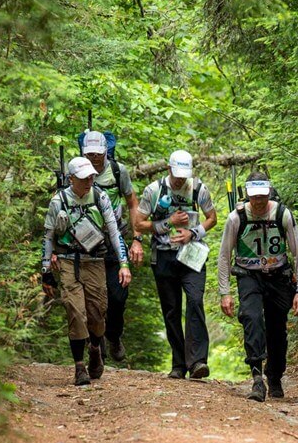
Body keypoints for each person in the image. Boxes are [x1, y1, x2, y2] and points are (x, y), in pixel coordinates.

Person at [217, 172, 298, 402]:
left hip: (279, 277)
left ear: (268, 193)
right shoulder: (236, 218)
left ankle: (275, 375)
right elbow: (224, 256)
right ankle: (257, 378)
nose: (258, 202)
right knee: (251, 318)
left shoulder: (282, 214)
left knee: (277, 329)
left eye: (262, 196)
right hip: (249, 276)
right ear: (248, 195)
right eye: (254, 197)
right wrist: (225, 292)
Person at [41, 157, 132, 386]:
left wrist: (123, 263)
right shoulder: (58, 201)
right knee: (75, 311)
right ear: (71, 179)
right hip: (68, 261)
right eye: (83, 178)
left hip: (95, 261)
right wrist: (46, 271)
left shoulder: (100, 197)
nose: (89, 181)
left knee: (97, 313)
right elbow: (48, 237)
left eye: (91, 176)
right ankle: (79, 367)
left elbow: (114, 231)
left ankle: (95, 349)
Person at [135, 150, 217, 379]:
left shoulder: (199, 189)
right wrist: (166, 223)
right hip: (163, 255)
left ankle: (198, 361)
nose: (181, 179)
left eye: (185, 175)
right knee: (171, 309)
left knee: (195, 300)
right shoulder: (154, 190)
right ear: (169, 169)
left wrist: (193, 233)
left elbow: (212, 218)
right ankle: (179, 364)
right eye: (177, 174)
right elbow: (138, 224)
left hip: (192, 255)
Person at [81, 131, 143, 362]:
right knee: (91, 299)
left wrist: (137, 238)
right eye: (90, 154)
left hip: (115, 240)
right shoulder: (76, 172)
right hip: (86, 245)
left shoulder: (118, 171)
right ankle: (95, 343)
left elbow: (132, 202)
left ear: (106, 151)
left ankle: (114, 336)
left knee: (118, 297)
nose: (94, 158)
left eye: (98, 153)